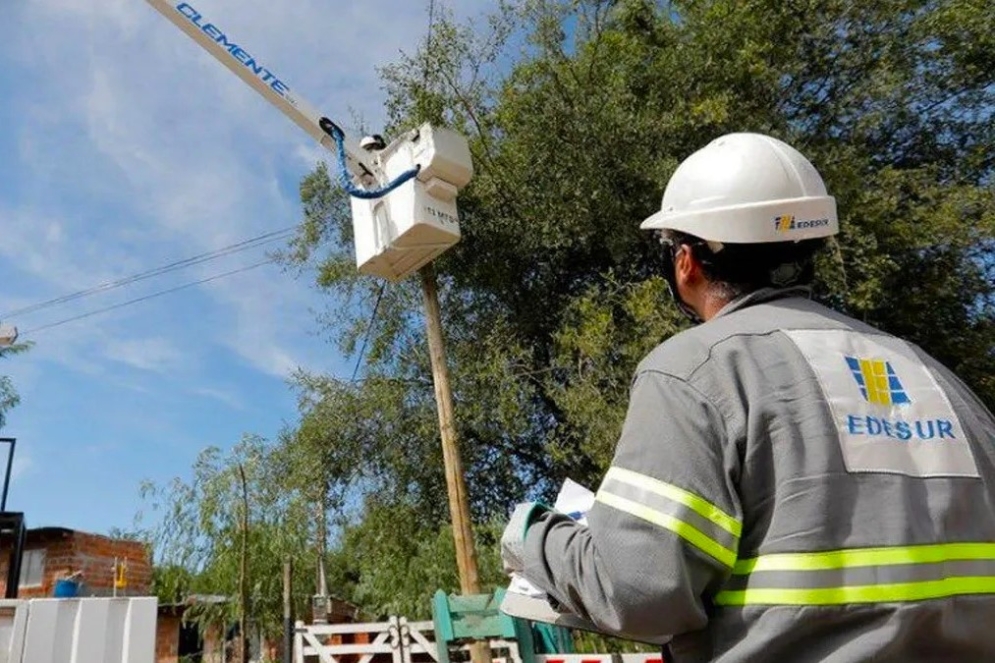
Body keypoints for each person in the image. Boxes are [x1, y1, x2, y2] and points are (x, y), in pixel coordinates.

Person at [500, 133, 995, 662]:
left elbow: (638, 592)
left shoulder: (697, 369)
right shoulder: (934, 376)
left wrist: (531, 537)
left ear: (685, 261)